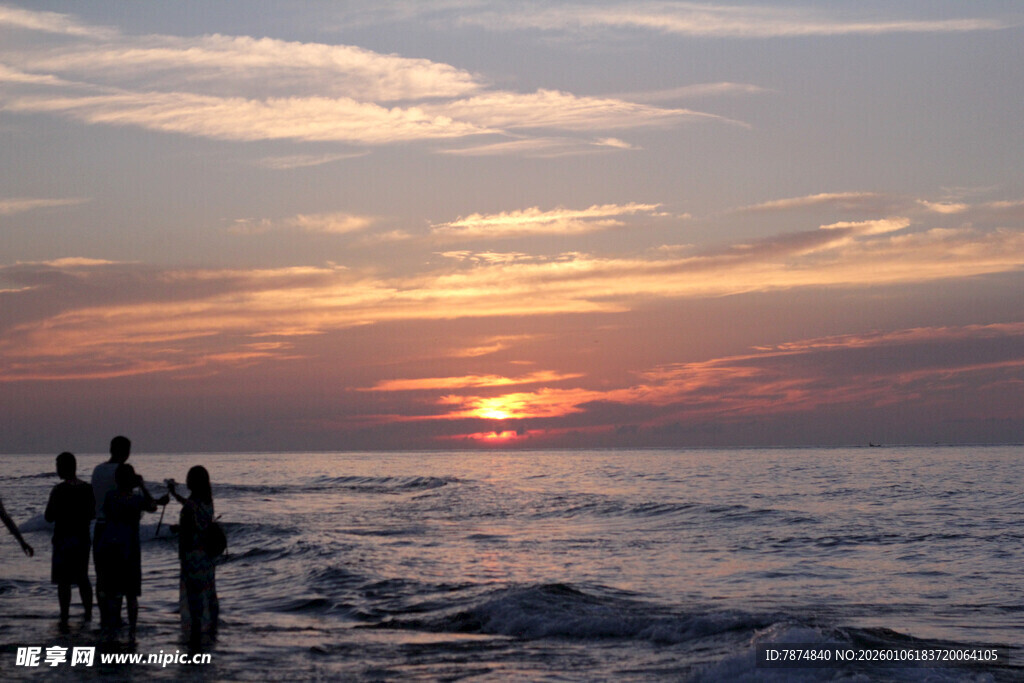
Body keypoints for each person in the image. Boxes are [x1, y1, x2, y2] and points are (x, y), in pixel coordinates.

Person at [91, 435, 167, 628]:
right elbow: (141, 503)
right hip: (126, 536)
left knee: (104, 578)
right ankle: (125, 622)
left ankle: (105, 618)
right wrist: (143, 487)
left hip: (102, 529)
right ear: (126, 452)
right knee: (128, 583)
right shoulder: (123, 472)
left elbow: (104, 500)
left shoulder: (98, 470)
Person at [168, 466, 219, 646]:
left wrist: (177, 529)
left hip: (192, 556)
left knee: (193, 597)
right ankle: (211, 630)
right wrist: (175, 495)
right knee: (208, 592)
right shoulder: (207, 502)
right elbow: (196, 516)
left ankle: (195, 635)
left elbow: (189, 531)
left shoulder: (191, 506)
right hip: (207, 556)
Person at [45, 452, 95, 624]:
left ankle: (64, 615)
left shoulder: (58, 490)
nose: (57, 469)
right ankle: (88, 613)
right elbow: (92, 513)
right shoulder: (87, 488)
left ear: (65, 467)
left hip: (62, 539)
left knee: (63, 581)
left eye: (58, 466)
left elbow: (49, 516)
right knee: (83, 577)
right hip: (82, 538)